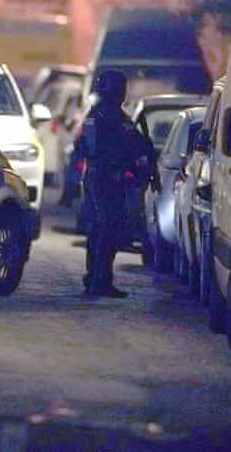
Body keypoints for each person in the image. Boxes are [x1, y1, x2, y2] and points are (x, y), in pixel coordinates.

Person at [80, 70, 155, 297]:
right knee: (109, 229)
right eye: (121, 88)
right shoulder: (110, 116)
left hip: (97, 176)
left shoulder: (98, 114)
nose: (123, 93)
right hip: (107, 178)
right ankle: (100, 281)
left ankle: (95, 277)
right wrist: (132, 165)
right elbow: (125, 146)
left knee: (99, 229)